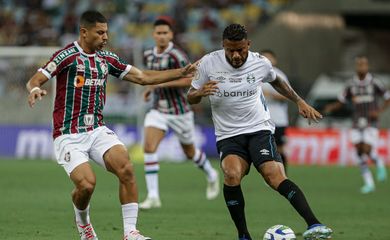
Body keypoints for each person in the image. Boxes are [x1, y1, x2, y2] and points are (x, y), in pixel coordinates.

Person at [26, 10, 197, 240]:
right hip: (68, 134)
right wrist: (36, 89)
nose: (105, 37)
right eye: (100, 32)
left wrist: (181, 71)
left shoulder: (107, 58)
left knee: (125, 167)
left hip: (96, 130)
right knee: (87, 185)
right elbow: (36, 78)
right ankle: (83, 223)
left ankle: (130, 233)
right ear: (84, 32)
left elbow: (143, 77)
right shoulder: (66, 56)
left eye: (106, 32)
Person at [187, 23, 332, 240]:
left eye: (240, 50)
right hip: (228, 135)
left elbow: (277, 81)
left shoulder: (260, 63)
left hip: (258, 129)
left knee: (274, 176)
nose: (236, 55)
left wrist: (299, 100)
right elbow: (190, 96)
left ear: (248, 44)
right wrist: (199, 92)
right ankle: (243, 235)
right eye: (230, 50)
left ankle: (314, 224)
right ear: (223, 46)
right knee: (231, 174)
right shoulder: (208, 62)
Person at [139, 17, 219, 209]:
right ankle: (153, 196)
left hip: (180, 112)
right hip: (158, 110)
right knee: (149, 147)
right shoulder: (148, 54)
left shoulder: (177, 55)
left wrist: (159, 83)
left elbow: (190, 80)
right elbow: (150, 76)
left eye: (165, 33)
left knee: (190, 152)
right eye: (158, 33)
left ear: (171, 35)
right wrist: (150, 87)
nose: (162, 36)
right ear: (153, 35)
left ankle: (211, 173)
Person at [324, 55, 390, 194]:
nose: (361, 67)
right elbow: (341, 101)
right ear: (356, 66)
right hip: (356, 121)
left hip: (371, 122)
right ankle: (369, 183)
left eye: (364, 64)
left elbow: (387, 98)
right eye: (359, 64)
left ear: (368, 66)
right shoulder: (350, 85)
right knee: (359, 152)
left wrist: (379, 111)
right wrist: (330, 107)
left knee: (366, 148)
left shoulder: (374, 82)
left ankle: (378, 163)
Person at [261, 49, 290, 174]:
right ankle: (271, 174)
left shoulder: (279, 75)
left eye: (269, 58)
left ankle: (283, 174)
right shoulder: (255, 76)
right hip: (261, 120)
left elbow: (288, 95)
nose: (267, 60)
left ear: (275, 60)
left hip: (278, 119)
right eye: (263, 58)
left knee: (280, 149)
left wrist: (271, 94)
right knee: (265, 149)